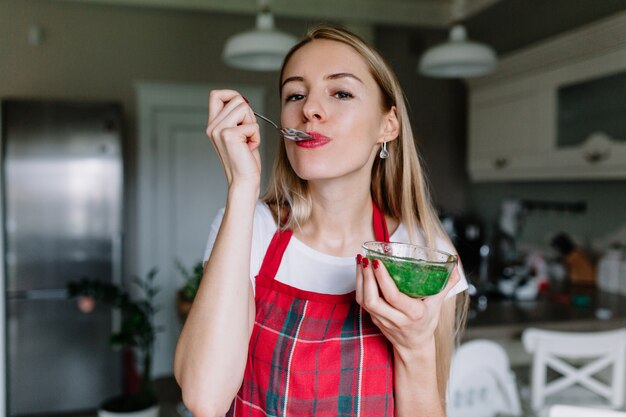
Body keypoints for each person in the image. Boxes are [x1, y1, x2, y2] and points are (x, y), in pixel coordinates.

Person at [174, 25, 469, 417]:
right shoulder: (253, 228)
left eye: (341, 92)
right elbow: (205, 399)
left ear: (388, 125)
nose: (309, 109)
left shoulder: (424, 253)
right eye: (295, 94)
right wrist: (242, 186)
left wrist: (415, 348)